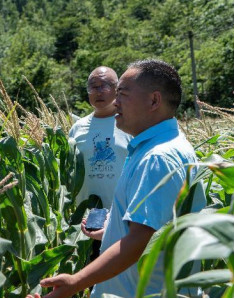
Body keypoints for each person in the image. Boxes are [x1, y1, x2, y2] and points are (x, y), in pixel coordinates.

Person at [29, 60, 207, 298]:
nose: (115, 102)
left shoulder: (157, 158)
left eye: (122, 93)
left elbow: (138, 242)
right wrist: (112, 229)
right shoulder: (162, 146)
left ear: (154, 100)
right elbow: (156, 227)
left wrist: (75, 282)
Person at [69, 67, 132, 264]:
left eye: (104, 85)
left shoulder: (131, 123)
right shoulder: (78, 128)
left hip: (123, 216)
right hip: (89, 218)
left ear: (117, 89)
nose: (98, 91)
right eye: (92, 86)